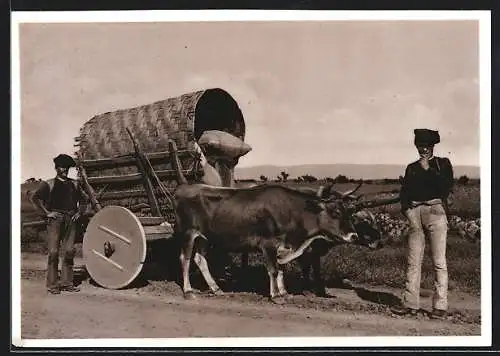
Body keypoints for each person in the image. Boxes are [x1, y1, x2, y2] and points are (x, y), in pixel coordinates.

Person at [391, 129, 454, 319]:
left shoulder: (443, 164)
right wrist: (408, 212)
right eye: (420, 146)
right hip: (415, 214)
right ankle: (411, 305)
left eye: (427, 146)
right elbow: (405, 194)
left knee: (439, 262)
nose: (423, 150)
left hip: (436, 212)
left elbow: (445, 187)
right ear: (416, 146)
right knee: (413, 261)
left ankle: (440, 307)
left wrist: (428, 169)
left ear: (433, 146)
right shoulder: (411, 168)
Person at [31, 153, 88, 294]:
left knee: (69, 251)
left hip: (71, 219)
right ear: (56, 168)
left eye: (67, 167)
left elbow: (84, 199)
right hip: (55, 221)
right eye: (62, 167)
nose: (65, 170)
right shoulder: (48, 184)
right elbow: (35, 198)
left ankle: (67, 283)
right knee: (53, 252)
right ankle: (52, 285)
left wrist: (79, 213)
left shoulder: (74, 184)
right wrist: (47, 213)